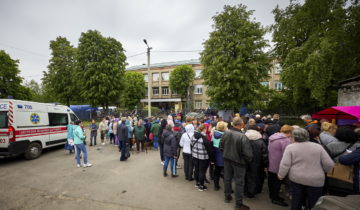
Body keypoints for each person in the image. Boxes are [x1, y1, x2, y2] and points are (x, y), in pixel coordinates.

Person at [278, 128, 334, 210]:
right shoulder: (318, 147)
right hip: (315, 179)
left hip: (297, 178)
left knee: (296, 200)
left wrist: (281, 175)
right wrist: (324, 171)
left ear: (294, 137)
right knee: (314, 202)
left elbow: (285, 164)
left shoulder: (290, 147)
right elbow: (329, 164)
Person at [219, 117, 253, 210]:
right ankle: (238, 204)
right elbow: (248, 154)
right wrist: (246, 160)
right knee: (239, 183)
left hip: (227, 159)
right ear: (241, 124)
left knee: (227, 179)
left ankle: (227, 196)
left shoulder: (226, 132)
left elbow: (221, 146)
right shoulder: (242, 136)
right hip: (238, 162)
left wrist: (226, 153)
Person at [267, 125, 294, 207]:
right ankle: (275, 198)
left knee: (271, 181)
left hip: (271, 162)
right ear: (289, 132)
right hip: (279, 165)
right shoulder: (285, 141)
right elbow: (286, 156)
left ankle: (272, 195)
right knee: (277, 182)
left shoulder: (273, 137)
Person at [244, 125, 268, 198]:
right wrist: (266, 165)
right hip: (257, 163)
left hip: (244, 161)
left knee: (245, 176)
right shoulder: (261, 140)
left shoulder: (243, 138)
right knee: (255, 177)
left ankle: (245, 190)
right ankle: (252, 192)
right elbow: (265, 155)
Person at [192, 124, 211, 191]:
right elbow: (209, 149)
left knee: (196, 169)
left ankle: (197, 183)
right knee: (202, 171)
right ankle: (201, 186)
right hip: (203, 157)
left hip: (195, 155)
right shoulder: (204, 138)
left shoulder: (193, 136)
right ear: (203, 129)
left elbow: (191, 145)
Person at [212, 121, 227, 191]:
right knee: (225, 173)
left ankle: (216, 186)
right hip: (223, 154)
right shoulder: (225, 135)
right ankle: (228, 188)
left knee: (216, 171)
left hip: (215, 154)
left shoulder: (214, 133)